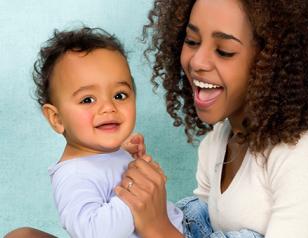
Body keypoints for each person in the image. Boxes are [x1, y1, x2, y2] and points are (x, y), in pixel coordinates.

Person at [115, 0, 308, 237]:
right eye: (191, 41)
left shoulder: (305, 153)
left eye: (224, 51)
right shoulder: (216, 143)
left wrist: (158, 230)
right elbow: (198, 229)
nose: (197, 62)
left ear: (273, 63)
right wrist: (128, 178)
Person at [12, 27, 183, 238]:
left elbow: (106, 177)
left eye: (120, 95)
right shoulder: (72, 175)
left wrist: (121, 154)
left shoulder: (96, 153)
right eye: (87, 100)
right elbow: (96, 232)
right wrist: (137, 191)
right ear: (56, 119)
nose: (108, 107)